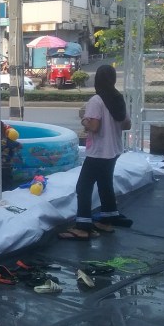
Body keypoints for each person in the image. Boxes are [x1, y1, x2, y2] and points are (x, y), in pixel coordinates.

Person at [59, 65, 132, 241]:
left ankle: (83, 227)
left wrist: (84, 120)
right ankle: (107, 219)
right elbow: (127, 124)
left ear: (97, 80)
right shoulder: (118, 98)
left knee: (83, 187)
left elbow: (94, 126)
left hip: (99, 152)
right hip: (114, 150)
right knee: (105, 184)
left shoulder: (96, 100)